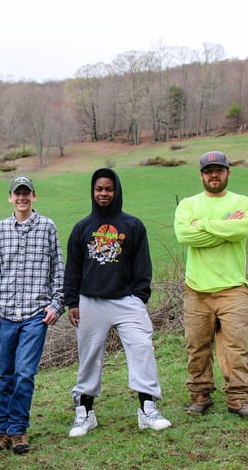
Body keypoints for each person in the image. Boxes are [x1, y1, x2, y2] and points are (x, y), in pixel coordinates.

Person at [63, 168, 171, 437]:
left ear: (117, 190)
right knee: (89, 357)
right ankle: (85, 412)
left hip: (127, 301)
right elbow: (73, 268)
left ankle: (147, 408)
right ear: (93, 191)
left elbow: (143, 265)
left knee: (141, 348)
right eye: (99, 189)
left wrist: (139, 297)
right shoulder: (82, 228)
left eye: (109, 189)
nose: (104, 193)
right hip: (91, 302)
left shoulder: (133, 226)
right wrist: (72, 301)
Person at [174, 150, 248, 421]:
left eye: (219, 170)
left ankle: (238, 398)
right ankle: (200, 395)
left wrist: (204, 226)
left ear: (228, 173)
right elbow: (184, 235)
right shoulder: (188, 205)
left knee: (237, 345)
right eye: (209, 171)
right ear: (201, 175)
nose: (214, 175)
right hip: (196, 288)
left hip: (233, 287)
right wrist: (224, 229)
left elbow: (242, 230)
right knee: (196, 345)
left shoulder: (243, 202)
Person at [0, 175, 64, 455]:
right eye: (17, 194)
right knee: (4, 375)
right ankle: (1, 430)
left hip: (35, 315)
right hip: (5, 315)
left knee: (25, 373)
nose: (22, 198)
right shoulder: (0, 229)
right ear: (10, 197)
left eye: (26, 193)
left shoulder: (47, 227)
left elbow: (58, 271)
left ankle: (18, 430)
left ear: (34, 196)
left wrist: (56, 305)